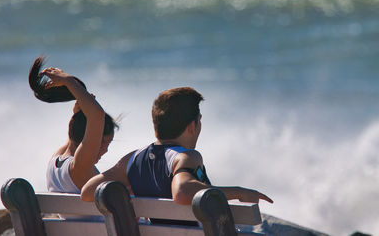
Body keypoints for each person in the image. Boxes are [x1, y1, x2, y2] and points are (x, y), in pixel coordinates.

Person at [81, 87, 273, 206]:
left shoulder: (131, 159)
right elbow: (182, 193)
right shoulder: (187, 157)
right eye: (199, 120)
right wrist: (240, 192)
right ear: (192, 126)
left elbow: (88, 192)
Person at [28, 57, 118, 193]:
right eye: (103, 142)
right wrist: (68, 81)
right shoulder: (79, 167)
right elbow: (97, 116)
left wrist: (77, 112)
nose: (105, 150)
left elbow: (74, 136)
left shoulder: (54, 162)